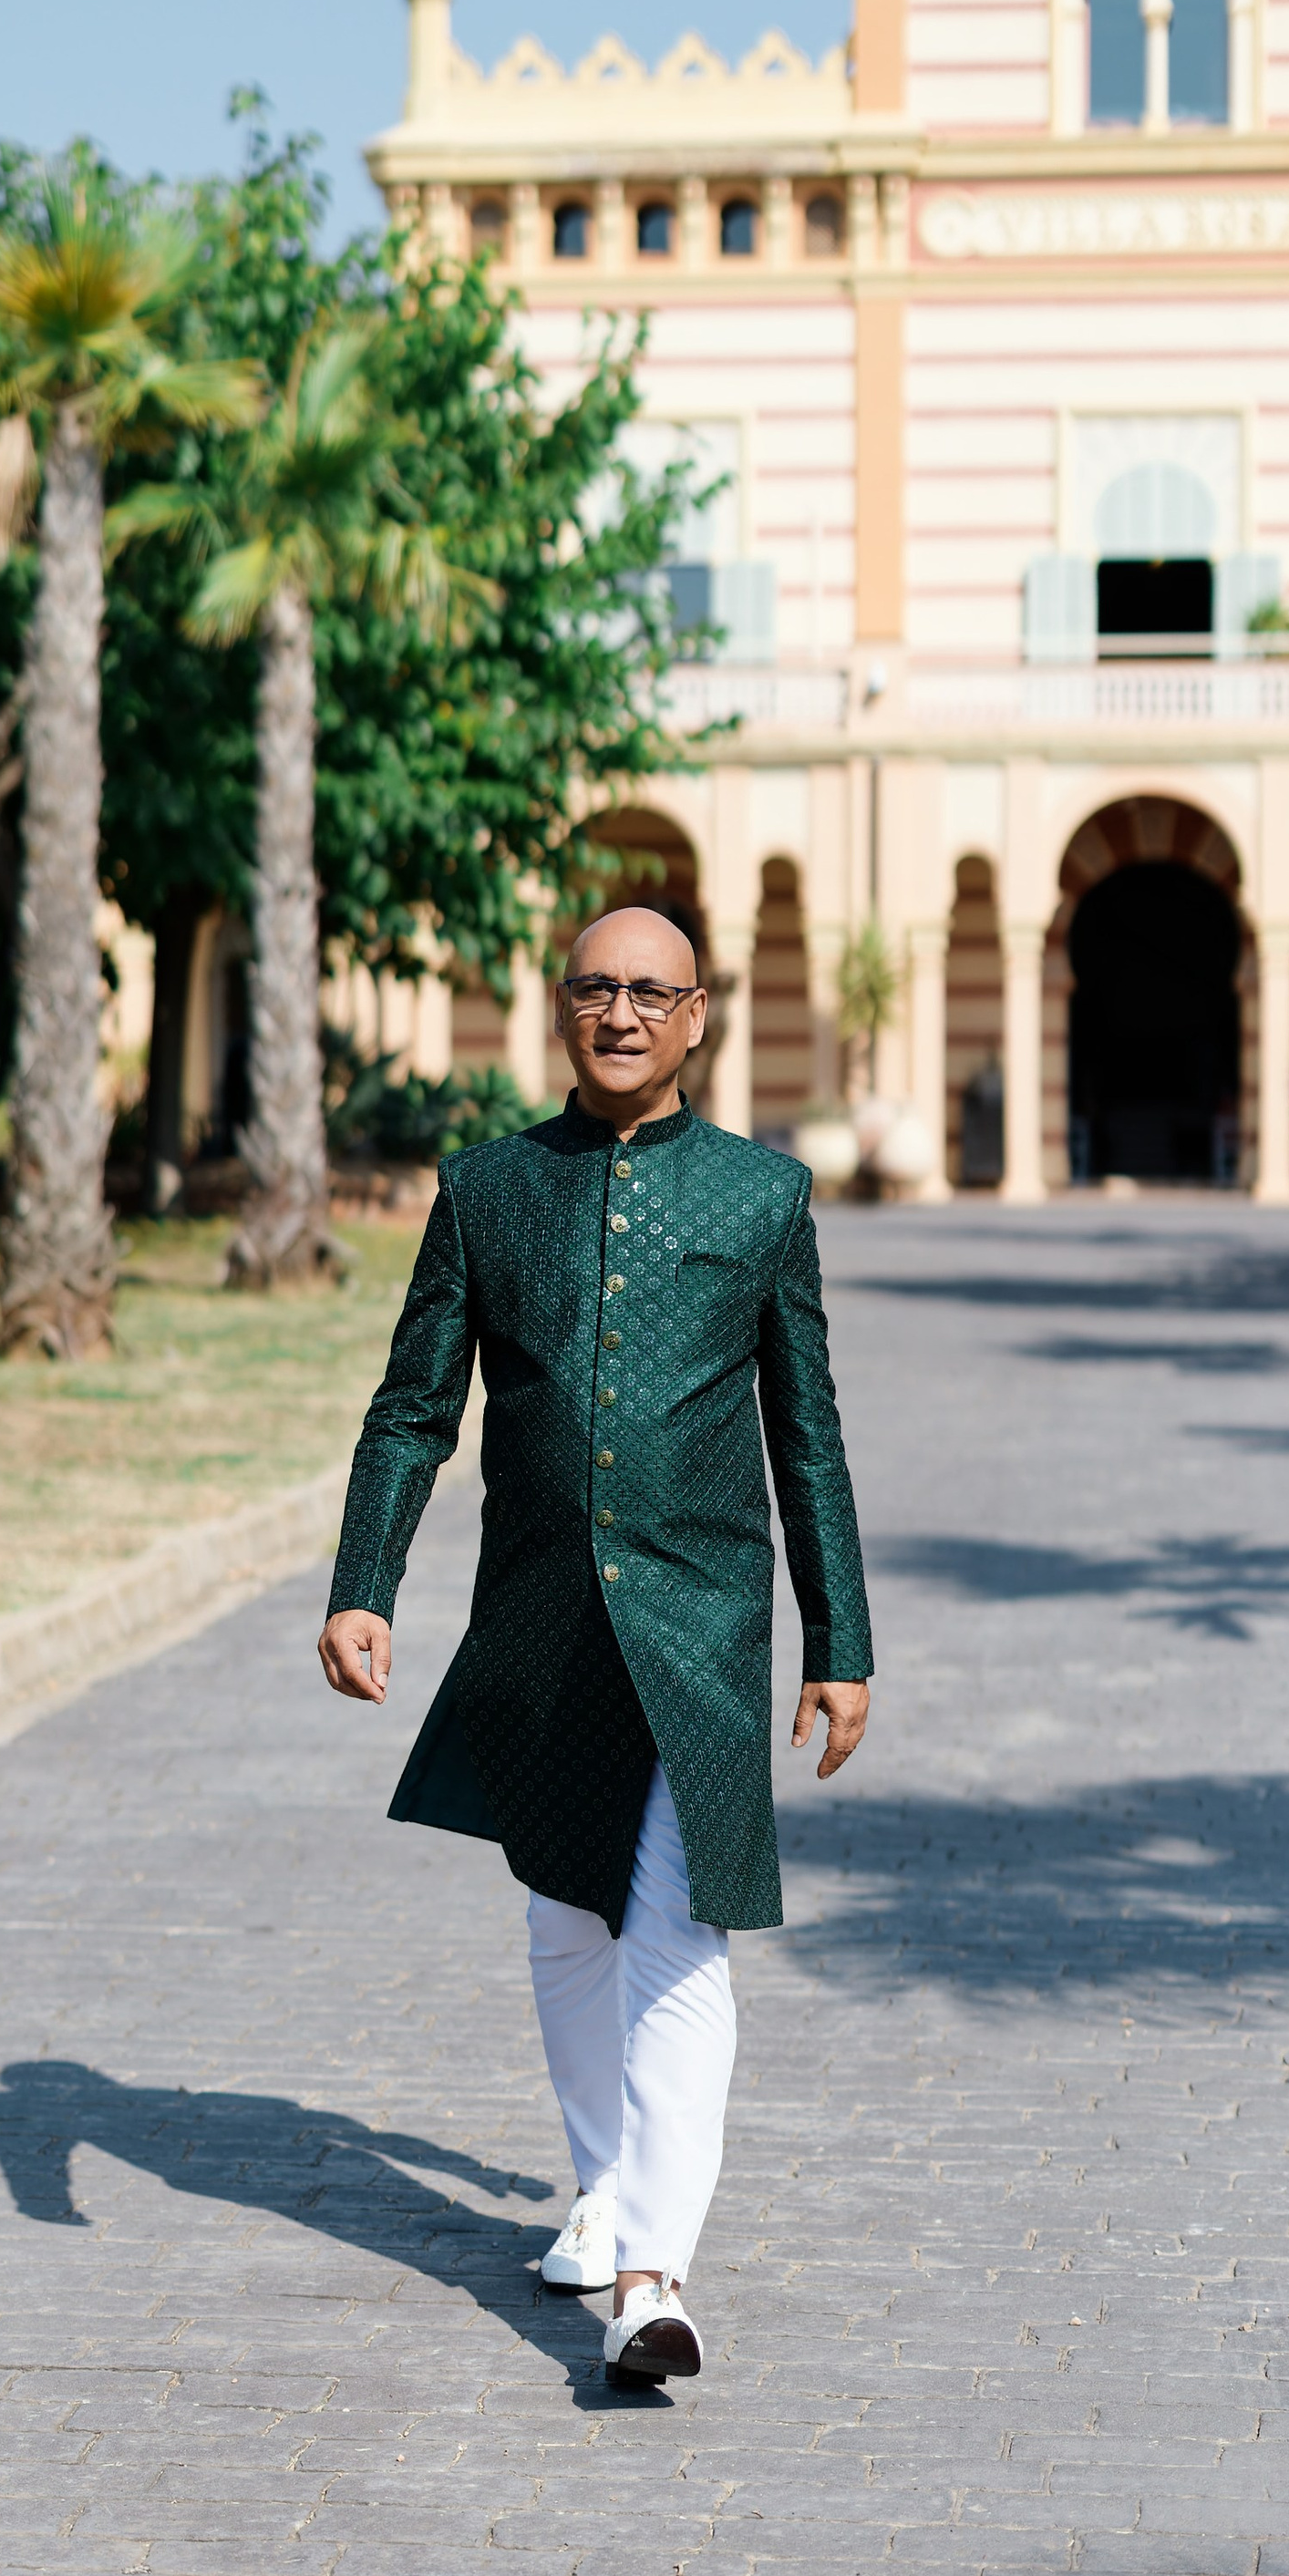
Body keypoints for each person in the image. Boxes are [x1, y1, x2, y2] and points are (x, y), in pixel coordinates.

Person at [318, 905, 872, 2387]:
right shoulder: (491, 1189)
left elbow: (804, 1434)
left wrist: (841, 1638)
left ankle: (652, 2275)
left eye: (652, 992)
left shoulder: (762, 1197)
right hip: (543, 1617)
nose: (621, 1012)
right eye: (595, 988)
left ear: (699, 1018)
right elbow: (413, 1405)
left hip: (698, 1622)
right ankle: (605, 2189)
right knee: (565, 1911)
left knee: (682, 1928)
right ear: (563, 1011)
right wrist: (364, 1579)